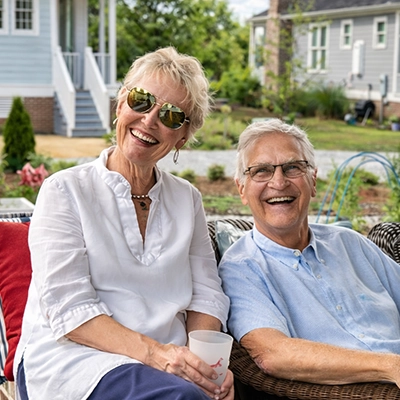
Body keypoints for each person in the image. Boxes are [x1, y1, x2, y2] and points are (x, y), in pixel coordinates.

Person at [14, 47, 233, 400]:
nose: (149, 120)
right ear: (120, 105)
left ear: (183, 137)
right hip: (75, 358)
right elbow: (70, 310)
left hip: (166, 362)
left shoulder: (186, 198)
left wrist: (201, 364)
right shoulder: (65, 190)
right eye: (141, 100)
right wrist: (160, 357)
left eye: (172, 116)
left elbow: (207, 296)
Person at [218, 118, 400, 388]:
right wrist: (391, 366)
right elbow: (274, 354)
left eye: (293, 167)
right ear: (242, 189)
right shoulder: (241, 268)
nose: (278, 182)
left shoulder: (350, 243)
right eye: (261, 171)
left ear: (312, 181)